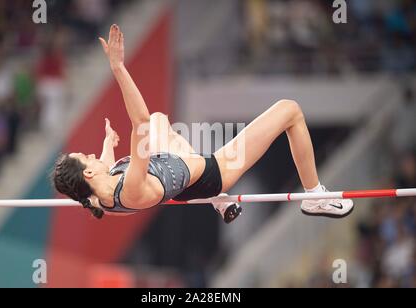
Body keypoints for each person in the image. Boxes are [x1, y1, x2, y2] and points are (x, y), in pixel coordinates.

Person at [52, 24, 354, 223]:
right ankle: (314, 195)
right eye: (88, 158)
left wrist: (106, 144)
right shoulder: (128, 189)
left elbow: (104, 171)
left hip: (172, 172)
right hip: (209, 174)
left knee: (159, 120)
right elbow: (139, 122)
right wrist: (118, 67)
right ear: (89, 171)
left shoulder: (100, 196)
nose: (93, 156)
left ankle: (217, 202)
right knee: (290, 110)